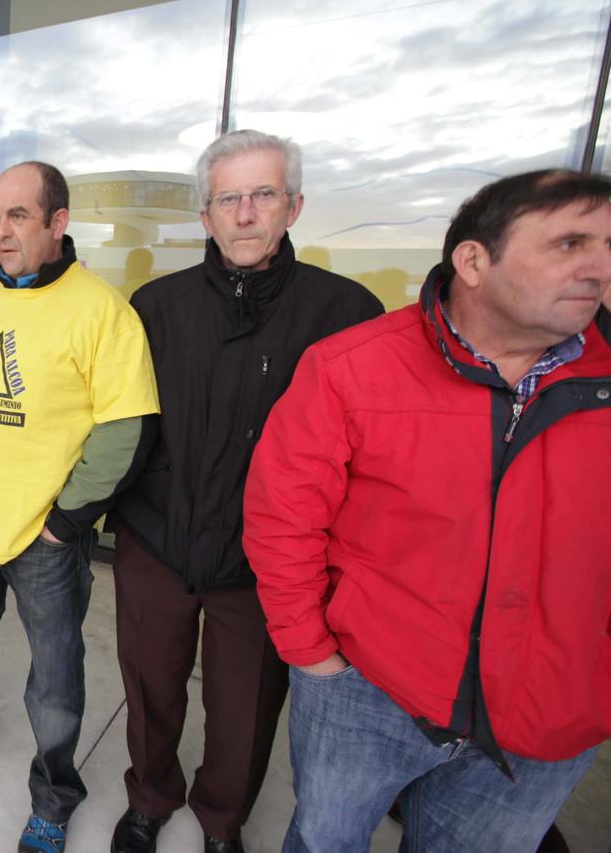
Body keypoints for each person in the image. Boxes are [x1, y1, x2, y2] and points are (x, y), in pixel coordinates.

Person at [244, 169, 611, 853]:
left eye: (609, 244)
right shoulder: (354, 366)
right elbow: (283, 516)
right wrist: (312, 654)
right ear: (473, 260)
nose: (599, 265)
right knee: (327, 839)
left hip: (552, 706)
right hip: (368, 690)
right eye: (569, 243)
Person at [107, 131, 384, 853]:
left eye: (263, 195)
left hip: (267, 565)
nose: (245, 213)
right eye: (227, 198)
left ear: (293, 206)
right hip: (158, 540)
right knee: (150, 686)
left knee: (246, 711)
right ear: (206, 217)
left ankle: (222, 821)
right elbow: (126, 422)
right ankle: (149, 797)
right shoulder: (155, 305)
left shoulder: (346, 313)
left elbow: (365, 457)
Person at [0, 162, 160, 853]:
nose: (2, 231)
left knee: (55, 677)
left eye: (18, 215)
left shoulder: (102, 310)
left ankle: (53, 792)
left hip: (45, 537)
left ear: (57, 223)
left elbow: (125, 428)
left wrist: (65, 522)